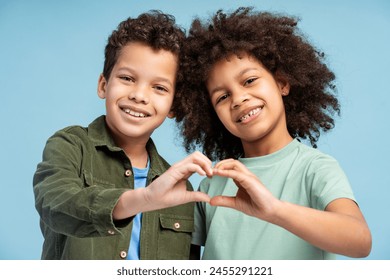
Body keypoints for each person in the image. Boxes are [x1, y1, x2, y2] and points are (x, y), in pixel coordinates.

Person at [173, 7, 372, 259]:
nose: (239, 99)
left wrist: (274, 210)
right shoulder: (213, 182)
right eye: (222, 97)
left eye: (249, 81)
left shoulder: (315, 168)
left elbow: (360, 241)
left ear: (282, 83)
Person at [33, 11, 212, 260]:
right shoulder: (70, 146)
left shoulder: (181, 188)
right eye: (127, 78)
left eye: (159, 88)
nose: (139, 95)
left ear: (173, 106)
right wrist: (144, 198)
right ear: (103, 85)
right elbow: (54, 204)